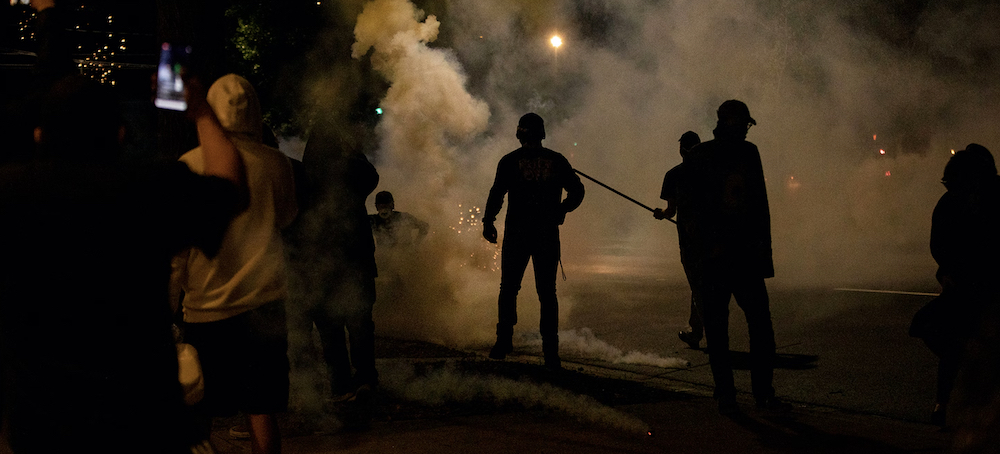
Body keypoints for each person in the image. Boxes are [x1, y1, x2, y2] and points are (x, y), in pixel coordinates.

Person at [0, 74, 247, 453]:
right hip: (139, 417)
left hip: (44, 420)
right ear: (118, 134)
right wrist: (200, 113)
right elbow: (229, 186)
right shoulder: (147, 190)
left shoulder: (14, 194)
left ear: (38, 135)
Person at [172, 74, 297, 454]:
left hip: (207, 308)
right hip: (265, 303)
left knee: (198, 410)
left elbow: (179, 248)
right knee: (261, 407)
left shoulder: (188, 165)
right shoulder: (277, 164)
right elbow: (288, 217)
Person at [675, 100, 788, 415]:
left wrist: (702, 252)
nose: (746, 130)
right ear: (735, 123)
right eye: (745, 124)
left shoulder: (699, 156)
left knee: (718, 330)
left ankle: (726, 393)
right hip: (744, 257)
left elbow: (689, 215)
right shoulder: (748, 154)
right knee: (759, 328)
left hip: (715, 259)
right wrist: (763, 256)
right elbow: (758, 208)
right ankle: (762, 392)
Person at [482, 112, 585, 369]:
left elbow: (497, 193)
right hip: (546, 234)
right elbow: (578, 190)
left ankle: (503, 342)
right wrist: (562, 209)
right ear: (542, 133)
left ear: (520, 134)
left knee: (508, 289)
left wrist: (488, 221)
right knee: (547, 293)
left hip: (518, 233)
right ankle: (551, 351)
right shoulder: (557, 161)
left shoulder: (509, 161)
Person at [915, 144, 1000, 429]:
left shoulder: (990, 201)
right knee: (950, 339)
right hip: (964, 287)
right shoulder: (950, 204)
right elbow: (939, 246)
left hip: (987, 288)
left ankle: (949, 402)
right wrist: (947, 273)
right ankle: (945, 402)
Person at [654, 131, 704, 349]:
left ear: (682, 149)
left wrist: (661, 214)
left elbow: (671, 211)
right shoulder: (711, 171)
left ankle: (698, 330)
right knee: (706, 285)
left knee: (698, 285)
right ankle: (699, 329)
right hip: (713, 237)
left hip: (690, 240)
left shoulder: (674, 175)